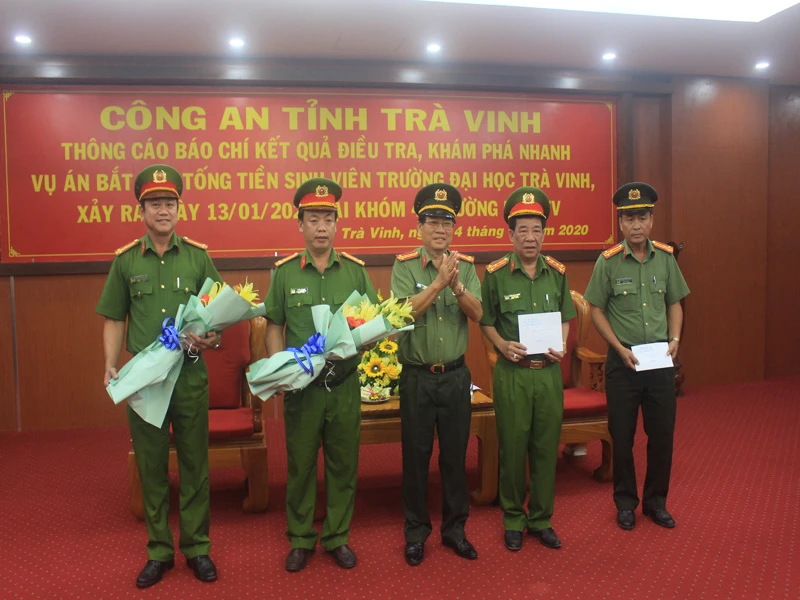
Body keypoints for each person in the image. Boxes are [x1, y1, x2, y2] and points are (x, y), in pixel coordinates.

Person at [96, 164, 222, 588]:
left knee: (194, 465)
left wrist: (211, 337)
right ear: (142, 211)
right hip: (145, 380)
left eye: (169, 202)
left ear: (179, 208)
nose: (162, 210)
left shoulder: (199, 257)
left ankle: (198, 548)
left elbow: (218, 315)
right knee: (151, 467)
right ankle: (158, 551)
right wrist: (110, 363)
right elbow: (114, 318)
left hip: (189, 375)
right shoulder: (126, 261)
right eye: (154, 204)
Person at [264, 177, 378, 572]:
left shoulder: (355, 272)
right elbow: (274, 325)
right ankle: (300, 538)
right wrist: (278, 368)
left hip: (343, 385)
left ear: (337, 223)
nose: (322, 227)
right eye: (313, 219)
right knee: (300, 466)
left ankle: (337, 536)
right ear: (300, 225)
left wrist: (367, 340)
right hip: (303, 390)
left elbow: (373, 322)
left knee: (343, 465)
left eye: (328, 218)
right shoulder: (285, 273)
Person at [584, 182, 690, 531]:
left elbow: (675, 302)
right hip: (623, 363)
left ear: (651, 220)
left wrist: (675, 339)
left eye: (642, 217)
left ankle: (656, 502)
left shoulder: (666, 258)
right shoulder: (608, 262)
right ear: (620, 223)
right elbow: (595, 309)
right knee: (622, 436)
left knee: (661, 436)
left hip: (659, 361)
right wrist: (618, 347)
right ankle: (626, 502)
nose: (636, 225)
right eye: (629, 219)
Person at [479, 187, 576, 552]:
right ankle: (512, 518)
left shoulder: (557, 273)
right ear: (511, 234)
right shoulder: (496, 274)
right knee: (513, 447)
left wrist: (562, 343)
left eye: (537, 229)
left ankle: (541, 518)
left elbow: (565, 316)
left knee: (546, 447)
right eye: (523, 230)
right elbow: (485, 321)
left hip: (548, 373)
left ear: (544, 233)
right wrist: (501, 344)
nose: (530, 237)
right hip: (513, 374)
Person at [390, 184, 483, 566]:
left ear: (454, 228)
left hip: (456, 377)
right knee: (416, 458)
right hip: (418, 378)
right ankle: (416, 533)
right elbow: (401, 315)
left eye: (447, 222)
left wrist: (457, 285)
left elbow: (478, 313)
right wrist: (438, 283)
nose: (440, 228)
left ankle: (455, 530)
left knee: (455, 458)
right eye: (432, 221)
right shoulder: (404, 266)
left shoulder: (467, 267)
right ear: (420, 226)